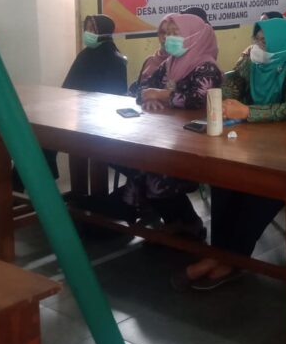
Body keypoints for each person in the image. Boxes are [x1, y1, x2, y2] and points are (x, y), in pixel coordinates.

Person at [185, 18, 286, 289]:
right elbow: (231, 84)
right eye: (257, 40)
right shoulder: (252, 60)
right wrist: (227, 98)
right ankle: (219, 252)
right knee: (224, 180)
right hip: (255, 144)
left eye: (265, 42)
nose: (259, 46)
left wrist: (247, 111)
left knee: (260, 193)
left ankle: (234, 258)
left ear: (280, 43)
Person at [114, 13, 222, 234]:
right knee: (131, 160)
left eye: (175, 33)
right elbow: (140, 89)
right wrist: (148, 97)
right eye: (166, 33)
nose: (168, 38)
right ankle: (176, 222)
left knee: (153, 172)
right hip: (166, 136)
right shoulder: (169, 63)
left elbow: (197, 99)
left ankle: (187, 223)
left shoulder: (206, 67)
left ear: (193, 35)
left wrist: (161, 95)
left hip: (195, 141)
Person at [16, 14, 127, 192]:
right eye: (87, 29)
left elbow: (115, 95)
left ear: (104, 32)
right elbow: (68, 86)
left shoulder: (116, 60)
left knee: (58, 136)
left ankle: (31, 181)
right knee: (40, 133)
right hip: (74, 111)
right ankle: (29, 178)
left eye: (93, 29)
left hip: (98, 118)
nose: (88, 33)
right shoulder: (84, 55)